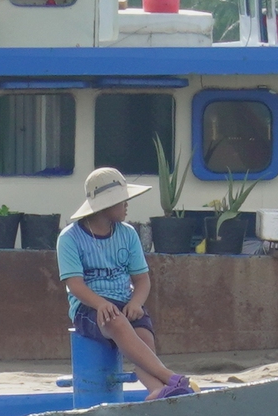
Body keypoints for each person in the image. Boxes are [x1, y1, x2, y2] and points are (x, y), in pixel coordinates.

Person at [58, 167, 193, 401]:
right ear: (104, 205)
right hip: (89, 307)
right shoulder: (69, 238)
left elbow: (142, 280)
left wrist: (136, 302)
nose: (127, 205)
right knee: (117, 322)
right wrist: (100, 304)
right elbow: (75, 284)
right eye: (122, 200)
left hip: (124, 300)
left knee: (144, 339)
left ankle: (156, 389)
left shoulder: (128, 234)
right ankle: (169, 376)